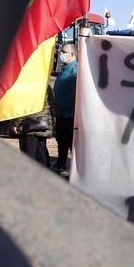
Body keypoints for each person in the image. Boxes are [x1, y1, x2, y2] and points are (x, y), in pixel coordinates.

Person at [11, 86, 55, 167]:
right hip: (43, 124)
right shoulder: (45, 85)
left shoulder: (28, 86)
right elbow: (52, 105)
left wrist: (16, 123)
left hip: (28, 126)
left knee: (28, 155)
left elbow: (24, 107)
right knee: (41, 153)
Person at [52, 43, 78, 177]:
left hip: (69, 115)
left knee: (70, 142)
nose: (61, 54)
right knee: (61, 140)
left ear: (72, 54)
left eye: (64, 52)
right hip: (61, 114)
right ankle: (60, 163)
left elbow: (74, 95)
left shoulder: (75, 71)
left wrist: (61, 107)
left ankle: (75, 170)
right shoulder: (64, 70)